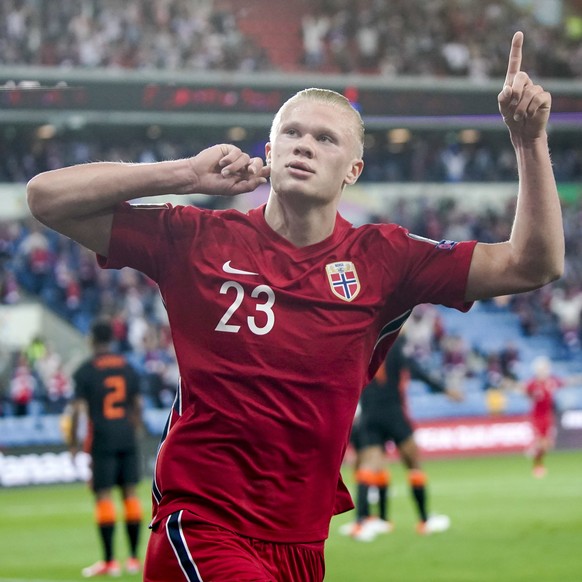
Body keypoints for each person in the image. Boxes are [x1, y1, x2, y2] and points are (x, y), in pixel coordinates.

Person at [26, 31, 563, 582]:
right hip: (201, 526)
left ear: (353, 170)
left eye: (326, 139)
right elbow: (46, 197)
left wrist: (529, 143)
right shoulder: (196, 237)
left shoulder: (386, 258)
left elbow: (532, 264)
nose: (304, 145)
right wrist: (185, 174)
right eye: (292, 133)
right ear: (269, 151)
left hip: (301, 544)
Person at [340, 326, 463, 542]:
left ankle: (360, 523)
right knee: (413, 462)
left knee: (369, 467)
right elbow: (417, 371)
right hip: (393, 412)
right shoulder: (395, 345)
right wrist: (446, 390)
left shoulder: (361, 346)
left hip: (369, 415)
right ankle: (425, 520)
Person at [69, 319, 144, 577]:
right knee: (130, 495)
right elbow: (138, 405)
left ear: (92, 340)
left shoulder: (86, 371)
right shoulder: (128, 368)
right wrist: (134, 430)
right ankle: (134, 559)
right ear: (112, 339)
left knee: (103, 496)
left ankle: (110, 562)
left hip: (102, 438)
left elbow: (78, 411)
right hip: (126, 436)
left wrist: (74, 444)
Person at [521, 355, 581, 478]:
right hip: (537, 416)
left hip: (548, 416)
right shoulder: (533, 384)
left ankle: (534, 452)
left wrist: (578, 378)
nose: (544, 371)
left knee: (548, 444)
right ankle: (537, 465)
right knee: (541, 442)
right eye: (542, 368)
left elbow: (566, 382)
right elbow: (524, 392)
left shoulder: (552, 381)